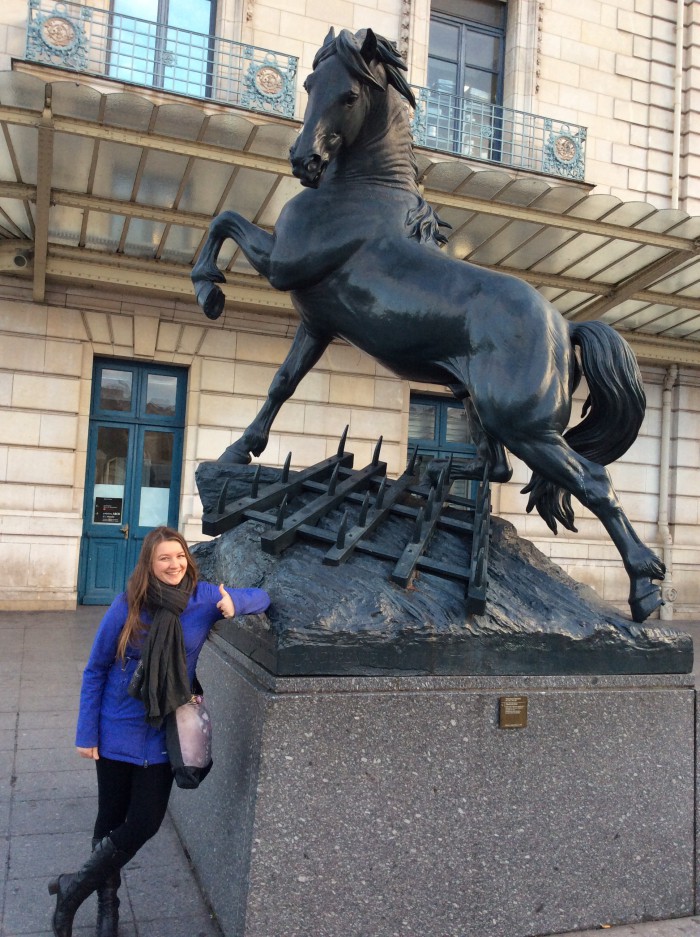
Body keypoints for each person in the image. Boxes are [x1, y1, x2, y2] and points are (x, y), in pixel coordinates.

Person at [48, 526, 270, 937]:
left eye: (180, 556)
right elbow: (96, 669)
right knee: (110, 817)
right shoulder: (128, 605)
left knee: (145, 822)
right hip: (117, 725)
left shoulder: (201, 599)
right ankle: (107, 910)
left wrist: (232, 601)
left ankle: (71, 889)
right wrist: (86, 734)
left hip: (163, 731)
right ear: (150, 564)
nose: (174, 564)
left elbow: (264, 596)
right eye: (164, 558)